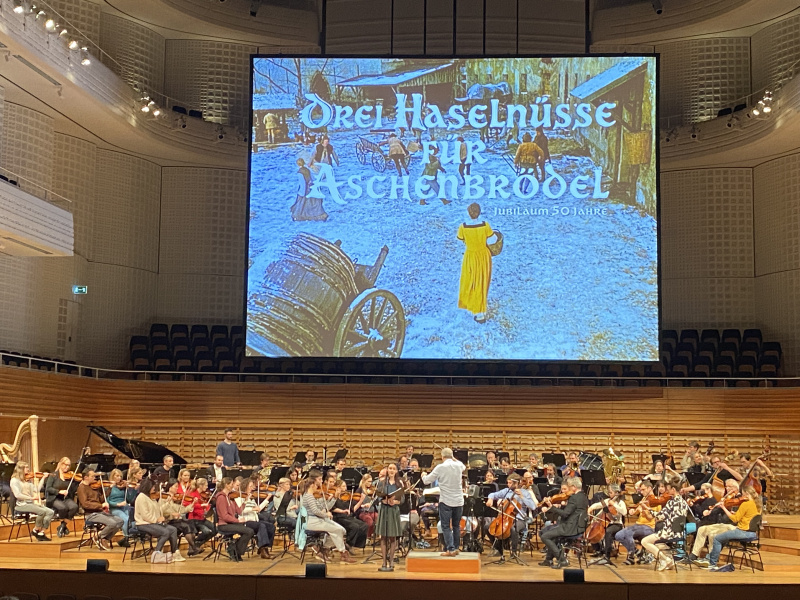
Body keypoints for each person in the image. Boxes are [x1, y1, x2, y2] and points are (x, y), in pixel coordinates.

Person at [300, 470, 356, 563]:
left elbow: (323, 507)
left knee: (342, 530)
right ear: (312, 484)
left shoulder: (312, 496)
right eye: (319, 480)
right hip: (311, 521)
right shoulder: (308, 496)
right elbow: (315, 511)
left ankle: (324, 550)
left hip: (318, 519)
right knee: (337, 530)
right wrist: (326, 514)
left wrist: (333, 498)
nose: (320, 483)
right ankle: (343, 553)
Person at [456, 202, 496, 324]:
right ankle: (480, 312)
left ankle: (474, 307)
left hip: (470, 256)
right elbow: (493, 239)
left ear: (469, 213)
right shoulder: (485, 225)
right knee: (482, 282)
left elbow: (460, 240)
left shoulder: (463, 227)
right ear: (479, 212)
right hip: (483, 256)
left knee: (470, 281)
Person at [422, 447, 466, 557]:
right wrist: (454, 458)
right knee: (456, 525)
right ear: (452, 456)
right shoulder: (459, 465)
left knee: (445, 526)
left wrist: (423, 475)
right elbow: (463, 466)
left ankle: (450, 549)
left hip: (446, 501)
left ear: (442, 457)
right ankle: (456, 548)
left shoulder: (440, 467)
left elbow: (427, 481)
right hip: (459, 501)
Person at [705, 486, 762, 571]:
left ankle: (712, 563)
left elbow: (735, 519)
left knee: (717, 538)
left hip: (743, 532)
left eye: (743, 494)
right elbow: (748, 516)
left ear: (746, 494)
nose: (741, 496)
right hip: (753, 533)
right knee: (723, 538)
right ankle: (709, 557)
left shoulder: (745, 504)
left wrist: (724, 508)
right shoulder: (757, 504)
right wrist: (735, 513)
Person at [640, 477, 690, 570]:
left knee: (644, 541)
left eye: (668, 489)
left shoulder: (671, 502)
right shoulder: (684, 502)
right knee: (656, 544)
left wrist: (647, 509)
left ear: (673, 489)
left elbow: (660, 516)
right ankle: (668, 561)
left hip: (669, 532)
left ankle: (665, 559)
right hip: (679, 533)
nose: (667, 491)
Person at [539, 476, 589, 568]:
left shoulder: (574, 498)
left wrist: (552, 507)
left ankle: (562, 560)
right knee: (552, 536)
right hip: (579, 527)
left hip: (570, 528)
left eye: (569, 487)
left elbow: (565, 514)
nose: (568, 489)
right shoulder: (584, 496)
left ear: (574, 487)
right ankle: (548, 560)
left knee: (545, 536)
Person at [485, 473, 537, 558]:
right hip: (505, 517)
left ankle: (514, 552)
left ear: (516, 483)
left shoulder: (525, 493)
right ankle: (499, 549)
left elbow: (533, 506)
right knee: (487, 527)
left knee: (514, 529)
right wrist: (490, 499)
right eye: (508, 482)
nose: (508, 485)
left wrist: (522, 497)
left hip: (520, 519)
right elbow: (493, 494)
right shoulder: (506, 491)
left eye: (510, 483)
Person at [76, 470, 124, 550]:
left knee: (120, 521)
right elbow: (85, 504)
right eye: (92, 476)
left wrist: (109, 488)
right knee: (112, 523)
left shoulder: (94, 487)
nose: (95, 478)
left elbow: (101, 499)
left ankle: (102, 538)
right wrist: (101, 505)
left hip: (100, 512)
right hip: (91, 515)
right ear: (86, 477)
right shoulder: (81, 488)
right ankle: (102, 537)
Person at [134, 478, 178, 564]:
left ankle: (175, 552)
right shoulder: (141, 497)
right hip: (143, 524)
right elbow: (145, 515)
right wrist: (156, 520)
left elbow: (158, 510)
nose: (154, 488)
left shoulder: (151, 498)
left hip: (152, 522)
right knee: (165, 532)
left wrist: (167, 503)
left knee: (173, 529)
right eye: (153, 487)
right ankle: (156, 554)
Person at [10, 462, 53, 541]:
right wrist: (31, 498)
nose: (28, 469)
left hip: (30, 504)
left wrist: (43, 478)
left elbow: (37, 489)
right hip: (21, 505)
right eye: (26, 467)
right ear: (20, 469)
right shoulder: (14, 480)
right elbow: (17, 495)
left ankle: (40, 532)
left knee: (50, 512)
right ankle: (36, 529)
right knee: (42, 511)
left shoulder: (27, 480)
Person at [215, 477, 255, 562]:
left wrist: (245, 501)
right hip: (224, 525)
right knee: (249, 531)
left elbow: (239, 511)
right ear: (226, 485)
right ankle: (236, 551)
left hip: (231, 523)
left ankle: (234, 550)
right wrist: (238, 521)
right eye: (231, 484)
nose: (233, 486)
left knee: (249, 530)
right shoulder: (221, 497)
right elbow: (224, 516)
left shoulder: (231, 497)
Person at [374, 464, 405, 571]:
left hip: (393, 510)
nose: (391, 470)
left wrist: (395, 501)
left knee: (393, 537)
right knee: (383, 537)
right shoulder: (382, 483)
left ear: (396, 471)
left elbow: (402, 499)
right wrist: (384, 500)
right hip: (384, 510)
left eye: (393, 469)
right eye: (390, 468)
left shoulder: (399, 483)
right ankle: (384, 562)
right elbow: (378, 496)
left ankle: (391, 561)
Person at [234, 478, 275, 559]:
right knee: (261, 526)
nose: (252, 488)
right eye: (250, 486)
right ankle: (263, 549)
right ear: (245, 486)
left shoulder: (251, 499)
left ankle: (265, 548)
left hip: (254, 521)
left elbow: (258, 509)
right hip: (246, 521)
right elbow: (240, 511)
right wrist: (252, 508)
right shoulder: (239, 498)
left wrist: (267, 499)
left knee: (271, 526)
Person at [587, 484, 627, 565]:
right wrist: (590, 508)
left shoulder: (621, 502)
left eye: (611, 492)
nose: (609, 494)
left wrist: (614, 504)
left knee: (608, 532)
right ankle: (599, 550)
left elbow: (624, 512)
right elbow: (597, 505)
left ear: (616, 493)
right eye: (609, 492)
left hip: (617, 525)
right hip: (606, 523)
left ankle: (607, 556)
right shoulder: (607, 500)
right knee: (593, 530)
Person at [160, 483, 202, 559]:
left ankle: (191, 548)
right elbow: (161, 511)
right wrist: (172, 514)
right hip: (168, 522)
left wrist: (193, 504)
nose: (177, 488)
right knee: (185, 526)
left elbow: (183, 510)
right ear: (170, 487)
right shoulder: (163, 498)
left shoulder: (175, 498)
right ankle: (193, 547)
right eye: (175, 486)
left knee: (190, 523)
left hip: (175, 521)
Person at [44, 457, 79, 538]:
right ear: (60, 464)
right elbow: (48, 488)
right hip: (54, 498)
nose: (67, 467)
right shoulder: (53, 475)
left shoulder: (69, 477)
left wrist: (76, 482)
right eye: (66, 465)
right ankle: (63, 527)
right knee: (63, 508)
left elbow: (72, 490)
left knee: (74, 507)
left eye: (69, 465)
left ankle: (62, 526)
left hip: (65, 498)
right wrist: (59, 491)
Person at [331, 479, 368, 551]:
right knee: (354, 526)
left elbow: (352, 510)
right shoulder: (334, 497)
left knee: (364, 525)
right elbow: (332, 508)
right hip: (339, 517)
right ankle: (348, 544)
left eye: (345, 486)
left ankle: (356, 545)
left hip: (348, 517)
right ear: (338, 487)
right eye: (343, 486)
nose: (345, 488)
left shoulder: (347, 497)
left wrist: (361, 501)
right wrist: (342, 511)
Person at [107, 468, 136, 547]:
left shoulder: (123, 486)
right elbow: (107, 501)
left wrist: (132, 490)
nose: (119, 478)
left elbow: (130, 499)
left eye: (120, 476)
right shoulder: (109, 487)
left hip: (124, 507)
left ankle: (127, 538)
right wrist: (117, 504)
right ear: (112, 476)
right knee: (125, 519)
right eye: (117, 476)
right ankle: (126, 538)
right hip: (115, 508)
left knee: (132, 520)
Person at [182, 475, 215, 545]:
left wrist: (207, 509)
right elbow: (190, 507)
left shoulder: (202, 495)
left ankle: (198, 544)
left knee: (215, 530)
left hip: (202, 518)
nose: (207, 487)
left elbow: (207, 505)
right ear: (201, 486)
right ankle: (194, 544)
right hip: (194, 519)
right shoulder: (192, 494)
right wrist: (201, 506)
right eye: (206, 485)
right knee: (206, 531)